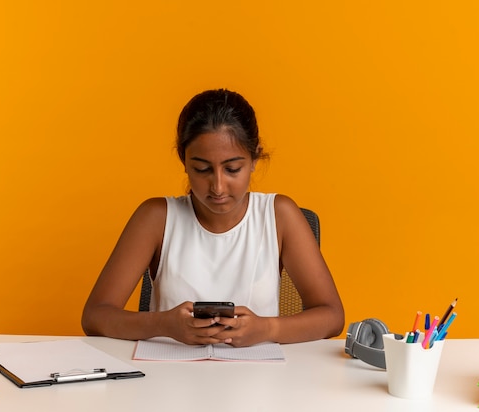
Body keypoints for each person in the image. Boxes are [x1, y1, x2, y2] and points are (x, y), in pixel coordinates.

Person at [82, 89, 344, 347]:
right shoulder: (156, 218)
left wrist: (267, 328)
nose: (218, 187)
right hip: (169, 380)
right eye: (202, 169)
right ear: (183, 160)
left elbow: (331, 316)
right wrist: (163, 325)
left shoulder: (279, 215)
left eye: (232, 169)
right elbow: (95, 316)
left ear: (254, 159)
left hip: (258, 381)